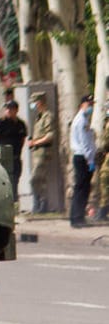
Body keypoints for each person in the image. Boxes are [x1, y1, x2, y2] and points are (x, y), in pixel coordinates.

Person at [26, 92, 57, 213]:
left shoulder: (47, 116)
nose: (33, 105)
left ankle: (38, 204)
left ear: (39, 102)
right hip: (36, 152)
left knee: (34, 179)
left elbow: (50, 135)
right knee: (41, 180)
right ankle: (41, 206)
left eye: (34, 102)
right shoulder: (38, 117)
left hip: (43, 151)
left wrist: (36, 142)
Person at [0, 100, 28, 192]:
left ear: (16, 110)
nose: (8, 111)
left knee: (15, 181)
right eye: (7, 109)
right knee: (3, 182)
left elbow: (22, 140)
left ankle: (14, 202)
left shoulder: (20, 124)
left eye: (11, 109)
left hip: (15, 158)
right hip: (4, 159)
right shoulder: (1, 123)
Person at [69, 94, 95, 227]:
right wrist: (90, 160)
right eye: (88, 104)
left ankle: (78, 217)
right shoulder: (81, 121)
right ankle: (77, 218)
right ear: (82, 105)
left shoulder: (83, 119)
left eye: (91, 104)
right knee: (81, 188)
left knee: (83, 188)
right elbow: (85, 144)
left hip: (82, 157)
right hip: (83, 158)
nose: (90, 106)